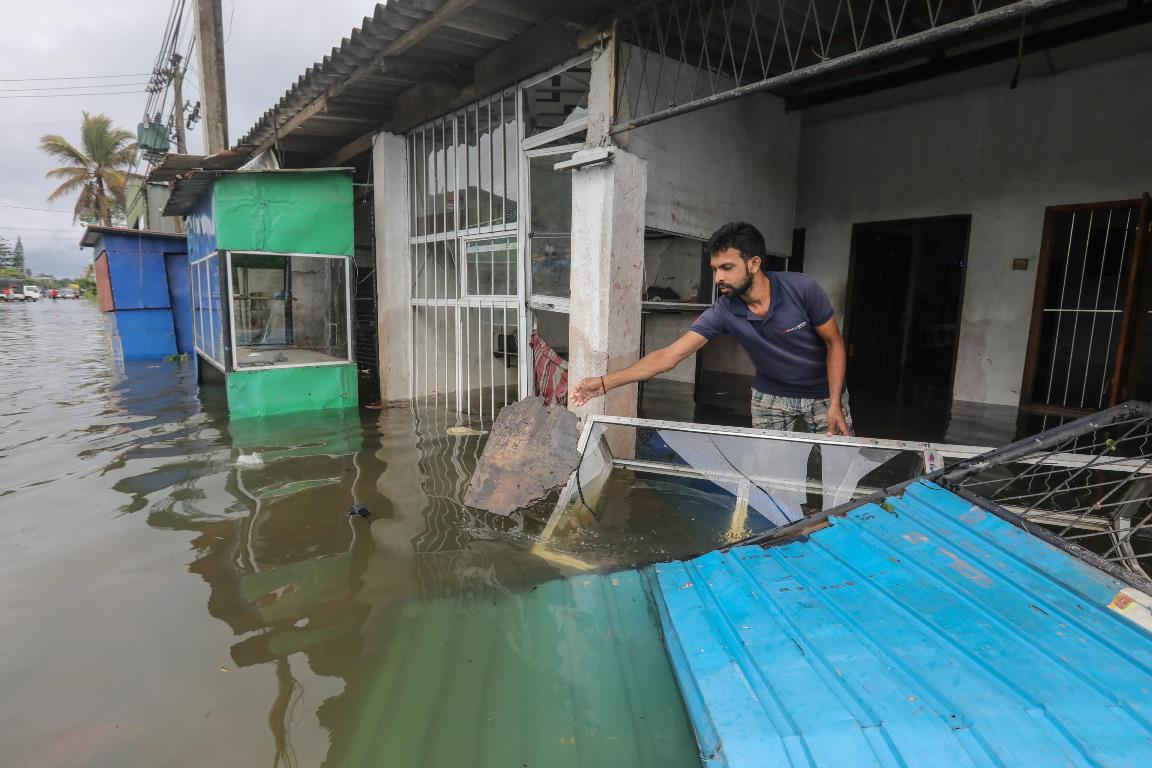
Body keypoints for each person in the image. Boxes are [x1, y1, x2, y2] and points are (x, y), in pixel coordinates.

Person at [571, 221, 852, 435]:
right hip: (770, 396)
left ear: (754, 263)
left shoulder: (802, 289)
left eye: (727, 267)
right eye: (715, 269)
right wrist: (606, 383)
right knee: (769, 478)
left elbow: (834, 344)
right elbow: (668, 356)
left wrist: (835, 401)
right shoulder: (724, 311)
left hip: (823, 391)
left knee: (840, 465)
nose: (718, 277)